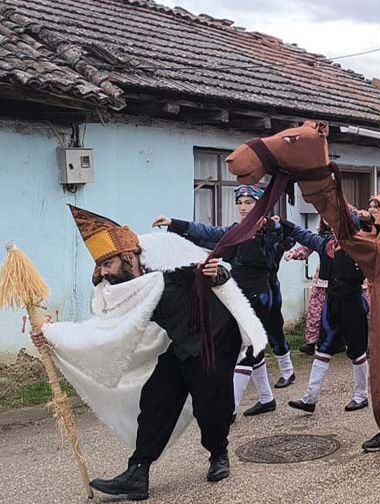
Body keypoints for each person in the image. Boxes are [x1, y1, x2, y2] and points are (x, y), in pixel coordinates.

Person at [37, 206, 267, 500]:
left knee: (210, 404)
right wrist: (52, 333)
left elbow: (212, 268)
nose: (104, 273)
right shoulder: (122, 287)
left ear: (128, 256)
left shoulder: (170, 261)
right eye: (101, 267)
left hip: (215, 336)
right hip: (180, 343)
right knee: (156, 398)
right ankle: (138, 473)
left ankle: (218, 454)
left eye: (108, 264)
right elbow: (101, 327)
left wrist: (218, 274)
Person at [154, 185, 297, 421]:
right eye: (240, 203)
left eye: (249, 202)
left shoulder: (272, 232)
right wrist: (174, 224)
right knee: (252, 348)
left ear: (260, 205)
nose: (243, 207)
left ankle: (228, 409)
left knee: (248, 349)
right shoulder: (236, 231)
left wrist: (275, 227)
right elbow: (207, 232)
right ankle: (266, 398)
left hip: (260, 296)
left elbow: (290, 239)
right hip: (240, 295)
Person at [284, 219, 370, 414]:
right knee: (322, 349)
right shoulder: (326, 243)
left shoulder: (362, 245)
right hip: (332, 303)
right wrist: (284, 224)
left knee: (357, 351)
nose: (335, 227)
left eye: (339, 224)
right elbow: (305, 236)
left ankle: (361, 396)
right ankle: (309, 399)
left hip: (353, 303)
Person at [284, 220, 335, 356]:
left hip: (342, 281)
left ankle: (346, 343)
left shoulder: (347, 235)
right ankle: (311, 343)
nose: (326, 217)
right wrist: (293, 254)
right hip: (322, 281)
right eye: (323, 214)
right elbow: (306, 248)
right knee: (315, 311)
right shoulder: (320, 236)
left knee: (342, 313)